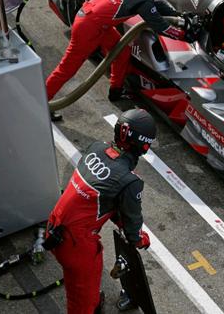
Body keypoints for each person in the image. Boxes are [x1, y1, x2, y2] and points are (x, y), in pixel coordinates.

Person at [45, 0, 193, 120]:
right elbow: (161, 26)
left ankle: (115, 90)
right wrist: (185, 35)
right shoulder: (143, 0)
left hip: (94, 20)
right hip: (88, 28)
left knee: (122, 52)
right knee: (66, 70)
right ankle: (43, 104)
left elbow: (157, 5)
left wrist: (180, 15)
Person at [45, 109, 156, 313]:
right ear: (144, 145)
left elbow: (100, 195)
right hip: (76, 245)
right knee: (82, 306)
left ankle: (91, 298)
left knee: (87, 276)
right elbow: (132, 230)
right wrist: (140, 239)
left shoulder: (95, 148)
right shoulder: (130, 181)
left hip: (54, 225)